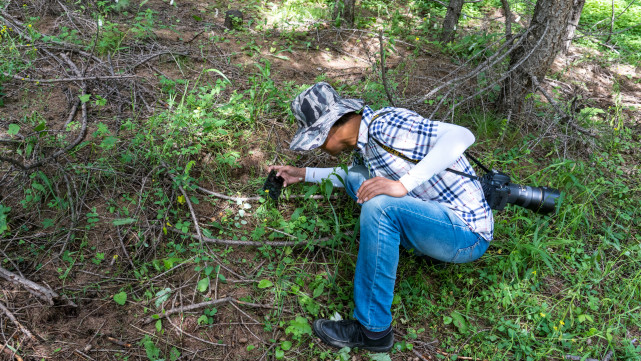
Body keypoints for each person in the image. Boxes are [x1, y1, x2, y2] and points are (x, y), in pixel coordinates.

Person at [268, 82, 493, 352]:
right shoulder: (365, 143)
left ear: (330, 128)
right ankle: (398, 244)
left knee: (380, 207)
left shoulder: (385, 126)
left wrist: (403, 185)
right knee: (356, 179)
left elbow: (461, 135)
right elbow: (350, 178)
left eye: (316, 139)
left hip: (467, 233)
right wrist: (302, 174)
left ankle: (373, 332)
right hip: (437, 218)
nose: (317, 148)